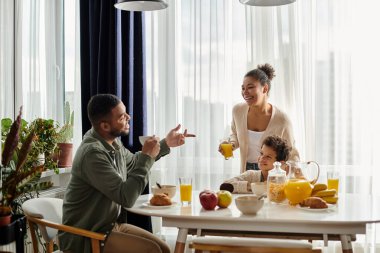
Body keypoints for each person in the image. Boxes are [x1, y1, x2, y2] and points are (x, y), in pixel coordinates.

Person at [58, 94, 195, 253]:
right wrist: (147, 156)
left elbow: (134, 163)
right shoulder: (92, 154)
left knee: (163, 248)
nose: (129, 117)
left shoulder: (113, 143)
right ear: (105, 126)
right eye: (122, 117)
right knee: (152, 251)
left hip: (109, 226)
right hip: (86, 235)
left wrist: (166, 143)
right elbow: (126, 197)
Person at [219, 63, 299, 173]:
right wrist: (231, 145)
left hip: (272, 175)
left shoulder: (282, 120)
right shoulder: (238, 111)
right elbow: (235, 134)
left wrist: (297, 174)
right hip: (246, 172)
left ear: (265, 88)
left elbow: (291, 153)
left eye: (250, 87)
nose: (245, 92)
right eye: (243, 88)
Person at [220, 135, 291, 193]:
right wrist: (253, 186)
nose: (262, 158)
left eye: (268, 157)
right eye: (261, 153)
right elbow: (224, 185)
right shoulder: (251, 175)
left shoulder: (283, 181)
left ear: (280, 163)